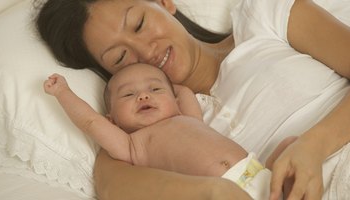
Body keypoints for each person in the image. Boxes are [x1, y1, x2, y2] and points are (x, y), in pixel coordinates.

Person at [35, 0, 350, 199]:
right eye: (120, 57)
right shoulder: (145, 130)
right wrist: (211, 191)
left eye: (140, 24)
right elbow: (111, 186)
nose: (146, 51)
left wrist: (313, 146)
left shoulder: (264, 18)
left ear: (164, 3)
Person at [44, 63, 296, 199]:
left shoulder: (188, 117)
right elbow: (90, 122)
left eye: (155, 89)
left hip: (260, 176)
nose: (143, 95)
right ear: (113, 120)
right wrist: (63, 92)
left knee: (291, 146)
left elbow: (183, 92)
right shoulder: (131, 144)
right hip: (219, 194)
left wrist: (164, 80)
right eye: (129, 94)